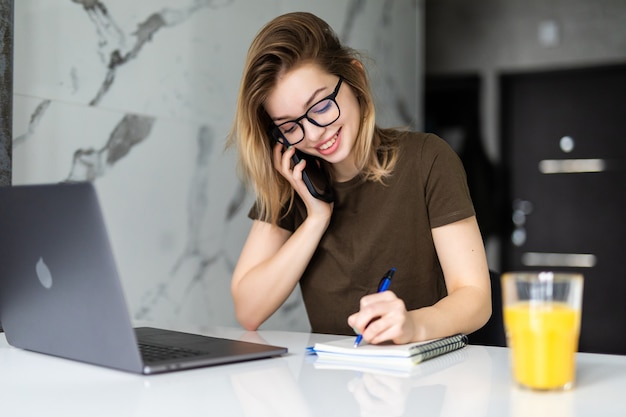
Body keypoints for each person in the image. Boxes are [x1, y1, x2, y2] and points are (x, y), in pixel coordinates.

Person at [227, 12, 491, 345]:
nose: (313, 134)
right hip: (330, 385)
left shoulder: (427, 159)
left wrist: (413, 325)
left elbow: (476, 298)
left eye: (320, 106)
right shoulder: (294, 181)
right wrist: (315, 219)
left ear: (354, 78)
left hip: (424, 380)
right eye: (290, 126)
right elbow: (248, 311)